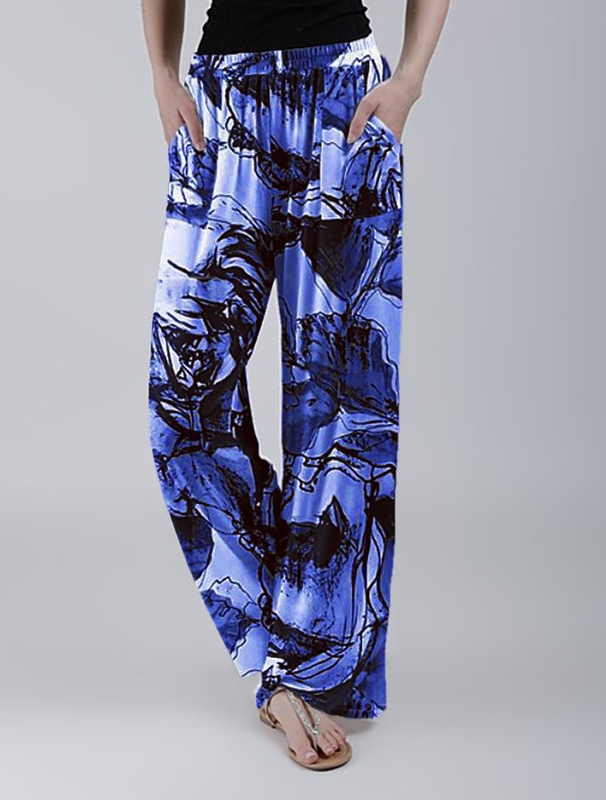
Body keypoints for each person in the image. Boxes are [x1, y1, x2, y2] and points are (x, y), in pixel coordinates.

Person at [142, 0, 449, 770]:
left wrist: (409, 80)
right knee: (182, 401)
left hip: (343, 97)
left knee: (342, 407)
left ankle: (299, 669)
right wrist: (161, 74)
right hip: (224, 105)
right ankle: (283, 648)